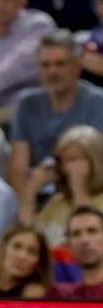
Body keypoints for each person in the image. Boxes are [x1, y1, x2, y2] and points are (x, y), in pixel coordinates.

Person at [7, 30, 103, 198]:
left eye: (60, 64)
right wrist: (27, 201)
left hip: (88, 193)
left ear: (77, 66)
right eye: (45, 65)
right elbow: (18, 168)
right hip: (36, 193)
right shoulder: (26, 103)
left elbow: (96, 165)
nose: (52, 72)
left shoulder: (98, 102)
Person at [31, 127, 103, 243]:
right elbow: (30, 237)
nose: (66, 168)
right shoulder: (56, 202)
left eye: (74, 160)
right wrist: (31, 190)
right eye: (62, 161)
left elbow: (86, 233)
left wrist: (79, 188)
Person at [54, 201, 103, 299]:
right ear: (68, 245)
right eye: (76, 234)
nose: (84, 240)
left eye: (92, 231)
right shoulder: (59, 296)